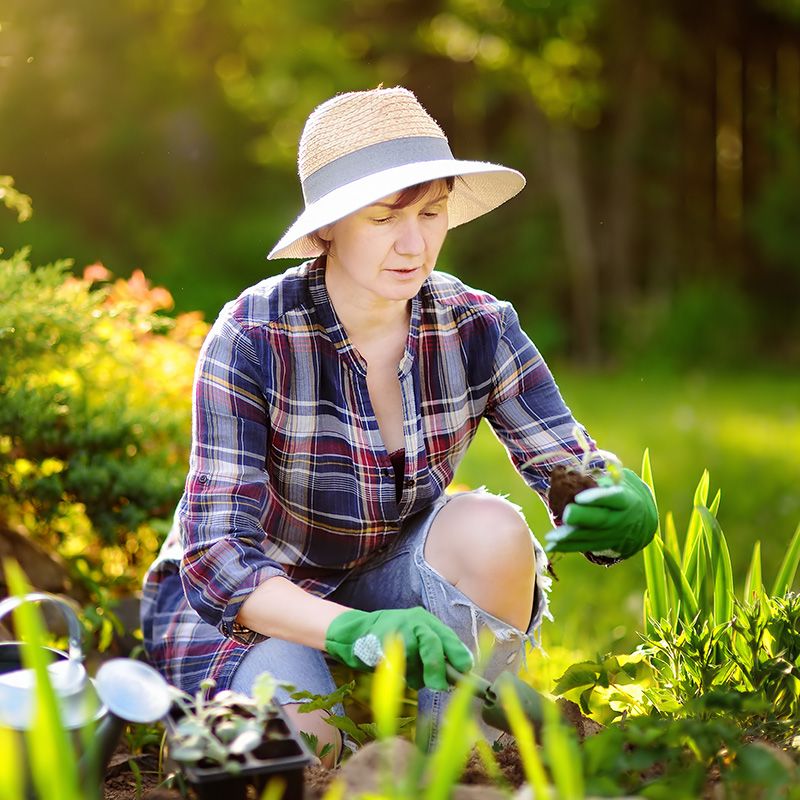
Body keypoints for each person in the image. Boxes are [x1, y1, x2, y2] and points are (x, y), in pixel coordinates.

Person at [140, 86, 657, 763]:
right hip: (258, 611)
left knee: (493, 529)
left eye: (433, 212)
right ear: (328, 228)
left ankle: (463, 751)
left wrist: (616, 499)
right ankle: (351, 714)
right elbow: (218, 563)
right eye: (385, 218)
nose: (414, 244)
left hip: (392, 586)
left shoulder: (478, 325)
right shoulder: (253, 335)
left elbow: (570, 466)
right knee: (307, 749)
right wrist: (357, 629)